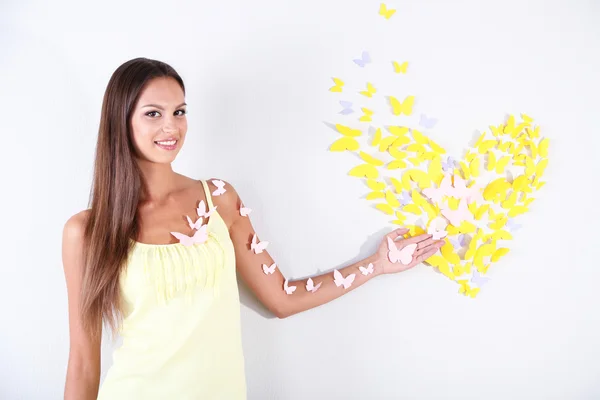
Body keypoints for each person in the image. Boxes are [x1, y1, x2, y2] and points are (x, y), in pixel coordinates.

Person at [62, 57, 444, 399]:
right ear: (120, 120)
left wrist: (376, 264)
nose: (171, 126)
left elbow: (282, 298)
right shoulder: (86, 232)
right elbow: (82, 364)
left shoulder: (219, 200)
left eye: (179, 111)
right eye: (153, 113)